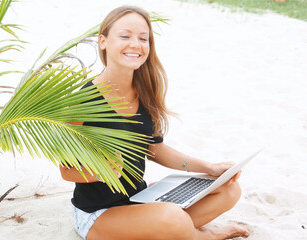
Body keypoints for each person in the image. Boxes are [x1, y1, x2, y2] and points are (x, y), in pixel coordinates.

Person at [59, 5, 250, 240]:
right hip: (99, 214)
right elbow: (66, 171)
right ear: (103, 42)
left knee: (228, 189)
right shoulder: (83, 101)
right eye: (125, 36)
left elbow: (155, 149)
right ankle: (205, 235)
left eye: (143, 38)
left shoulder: (145, 92)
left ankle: (179, 230)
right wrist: (101, 172)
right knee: (174, 218)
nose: (135, 44)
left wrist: (211, 168)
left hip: (141, 199)